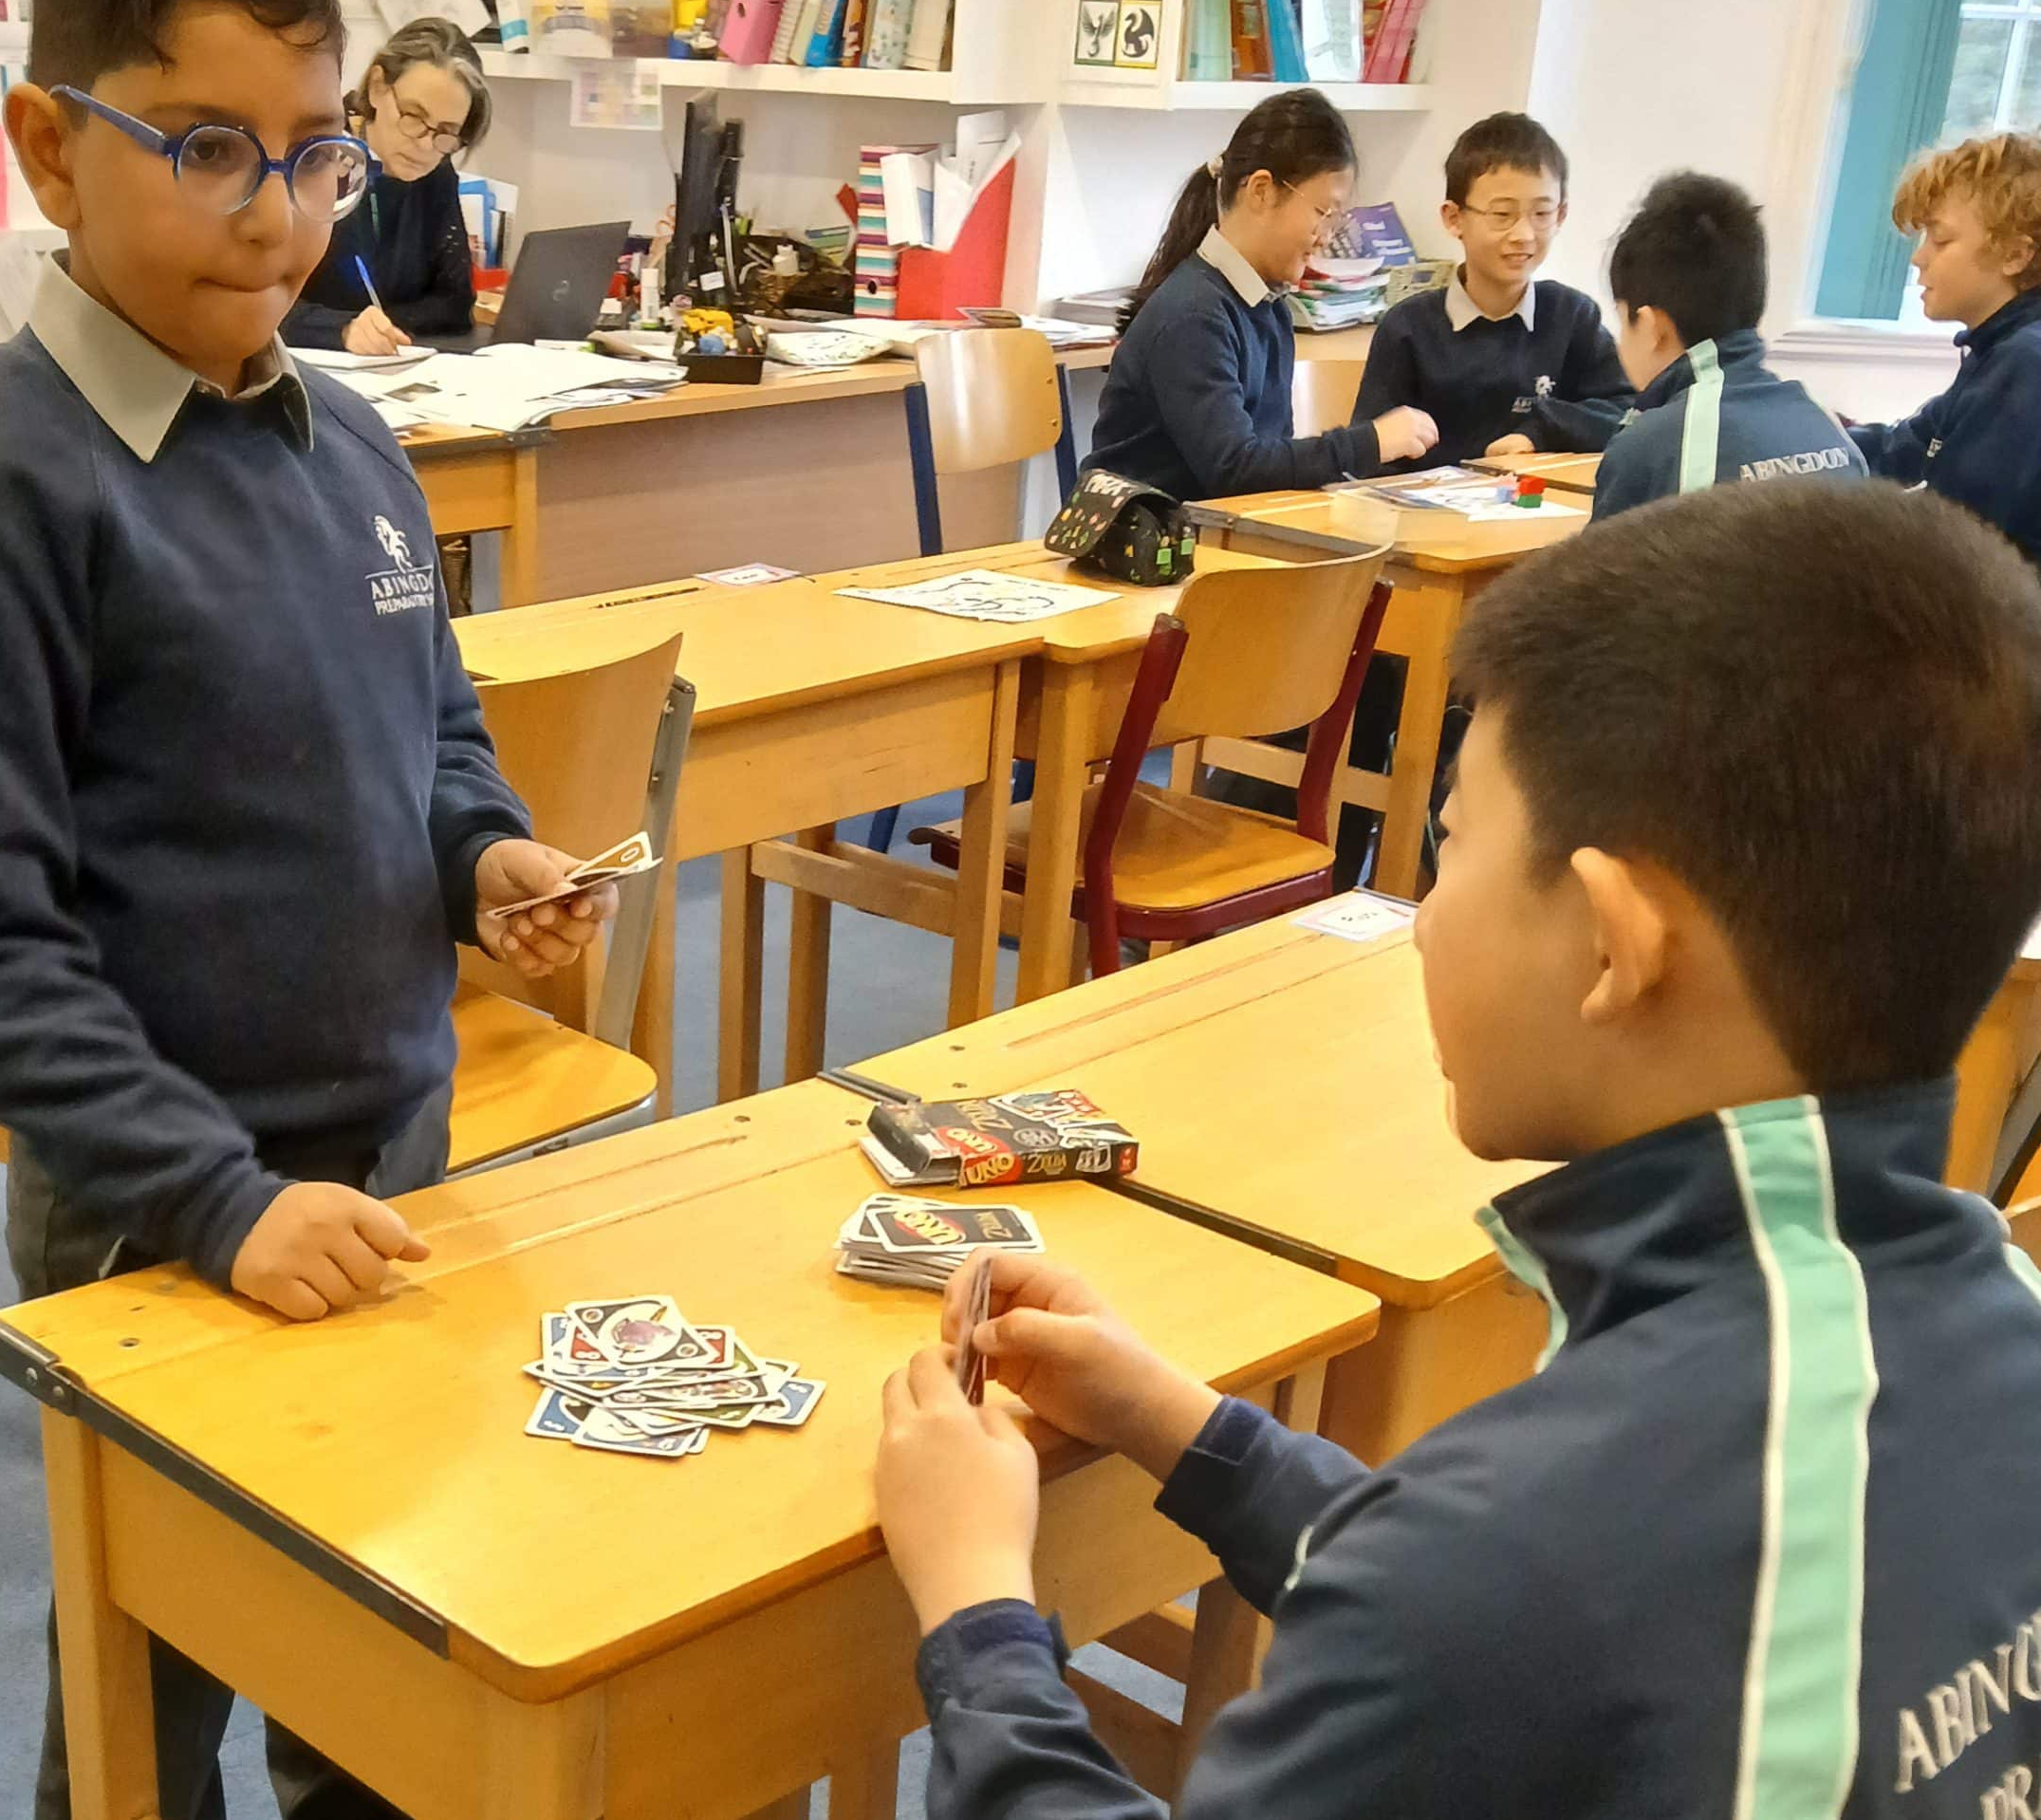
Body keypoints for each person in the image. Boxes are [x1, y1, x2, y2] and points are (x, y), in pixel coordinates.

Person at [874, 478, 2041, 1819]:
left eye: (1450, 845)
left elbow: (1490, 1597)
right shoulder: (1999, 1322)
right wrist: (1182, 1425)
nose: (1424, 917)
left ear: (1612, 941)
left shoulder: (1515, 1550)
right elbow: (1545, 1628)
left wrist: (977, 1609)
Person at [0, 0, 607, 1819]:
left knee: (374, 1635)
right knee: (148, 1690)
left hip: (390, 1155)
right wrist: (219, 1200)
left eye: (314, 154)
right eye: (204, 149)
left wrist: (481, 854)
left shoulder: (352, 445)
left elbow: (432, 730)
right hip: (158, 1215)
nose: (276, 215)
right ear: (48, 145)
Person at [1083, 86, 1437, 497]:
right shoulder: (1193, 316)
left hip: (1222, 524)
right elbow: (1236, 468)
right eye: (1323, 212)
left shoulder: (1270, 308)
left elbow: (1270, 468)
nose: (1326, 237)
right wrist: (1369, 443)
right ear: (1261, 191)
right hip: (1155, 533)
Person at [1352, 110, 1634, 470]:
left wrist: (1540, 432)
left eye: (1541, 214)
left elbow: (1627, 411)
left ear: (1561, 215)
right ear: (1454, 218)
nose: (1524, 235)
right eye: (1502, 215)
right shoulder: (1408, 328)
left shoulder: (1572, 317)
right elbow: (1369, 450)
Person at [1591, 171, 1861, 519]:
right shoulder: (1827, 423)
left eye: (1622, 322)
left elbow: (1601, 557)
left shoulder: (1649, 445)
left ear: (1649, 325)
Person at [1846, 130, 2041, 564]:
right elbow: (1903, 448)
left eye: (1941, 240)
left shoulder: (2025, 364)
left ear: (2015, 255)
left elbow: (1956, 546)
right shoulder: (1994, 351)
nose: (1918, 258)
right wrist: (1817, 434)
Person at [287, 16, 489, 355]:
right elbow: (258, 304)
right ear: (378, 87)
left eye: (447, 132)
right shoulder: (314, 159)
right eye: (413, 116)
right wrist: (342, 328)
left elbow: (455, 304)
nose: (425, 145)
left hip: (395, 366)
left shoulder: (436, 172)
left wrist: (382, 327)